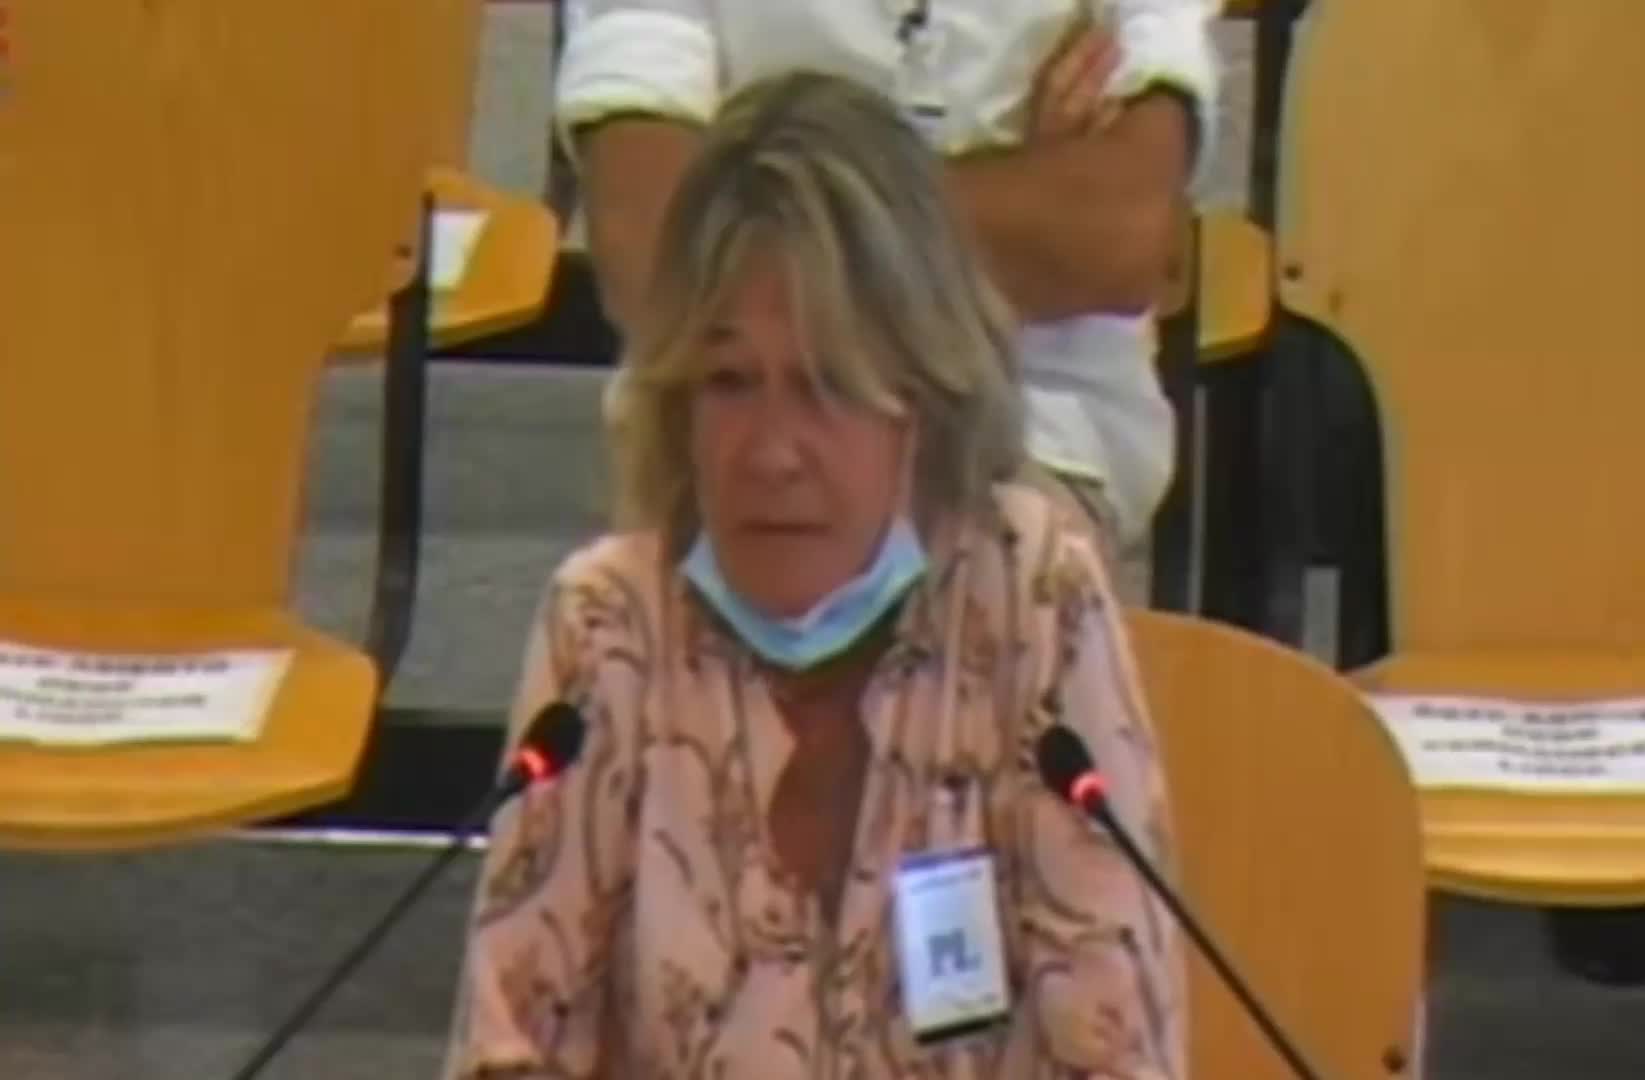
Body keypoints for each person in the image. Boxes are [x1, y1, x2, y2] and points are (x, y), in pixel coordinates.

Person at [443, 72, 1184, 1079]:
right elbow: (508, 1044)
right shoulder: (609, 626)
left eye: (826, 385)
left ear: (922, 394)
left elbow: (1116, 1047)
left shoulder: (1031, 598)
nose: (771, 451)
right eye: (730, 383)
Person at [555, 0, 1222, 559]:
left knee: (980, 602)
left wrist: (762, 198)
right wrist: (1027, 193)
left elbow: (1115, 235)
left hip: (1029, 433)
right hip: (732, 423)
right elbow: (651, 253)